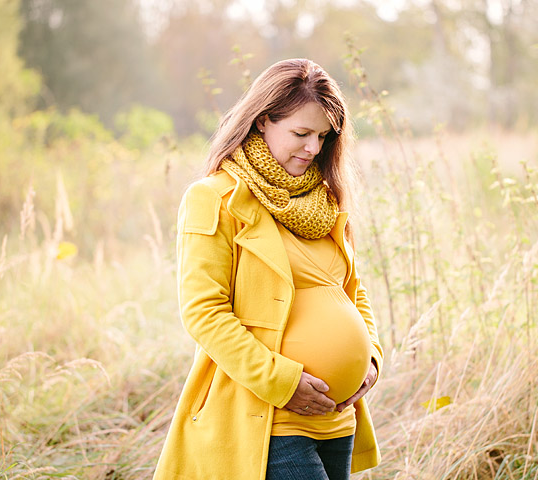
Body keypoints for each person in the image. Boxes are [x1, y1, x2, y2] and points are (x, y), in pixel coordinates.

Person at [153, 58, 383, 480]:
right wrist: (283, 382)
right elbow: (204, 313)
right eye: (300, 133)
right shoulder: (216, 198)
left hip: (337, 418)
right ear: (262, 121)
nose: (313, 148)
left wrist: (370, 359)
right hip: (269, 415)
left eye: (322, 136)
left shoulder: (323, 200)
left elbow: (352, 289)